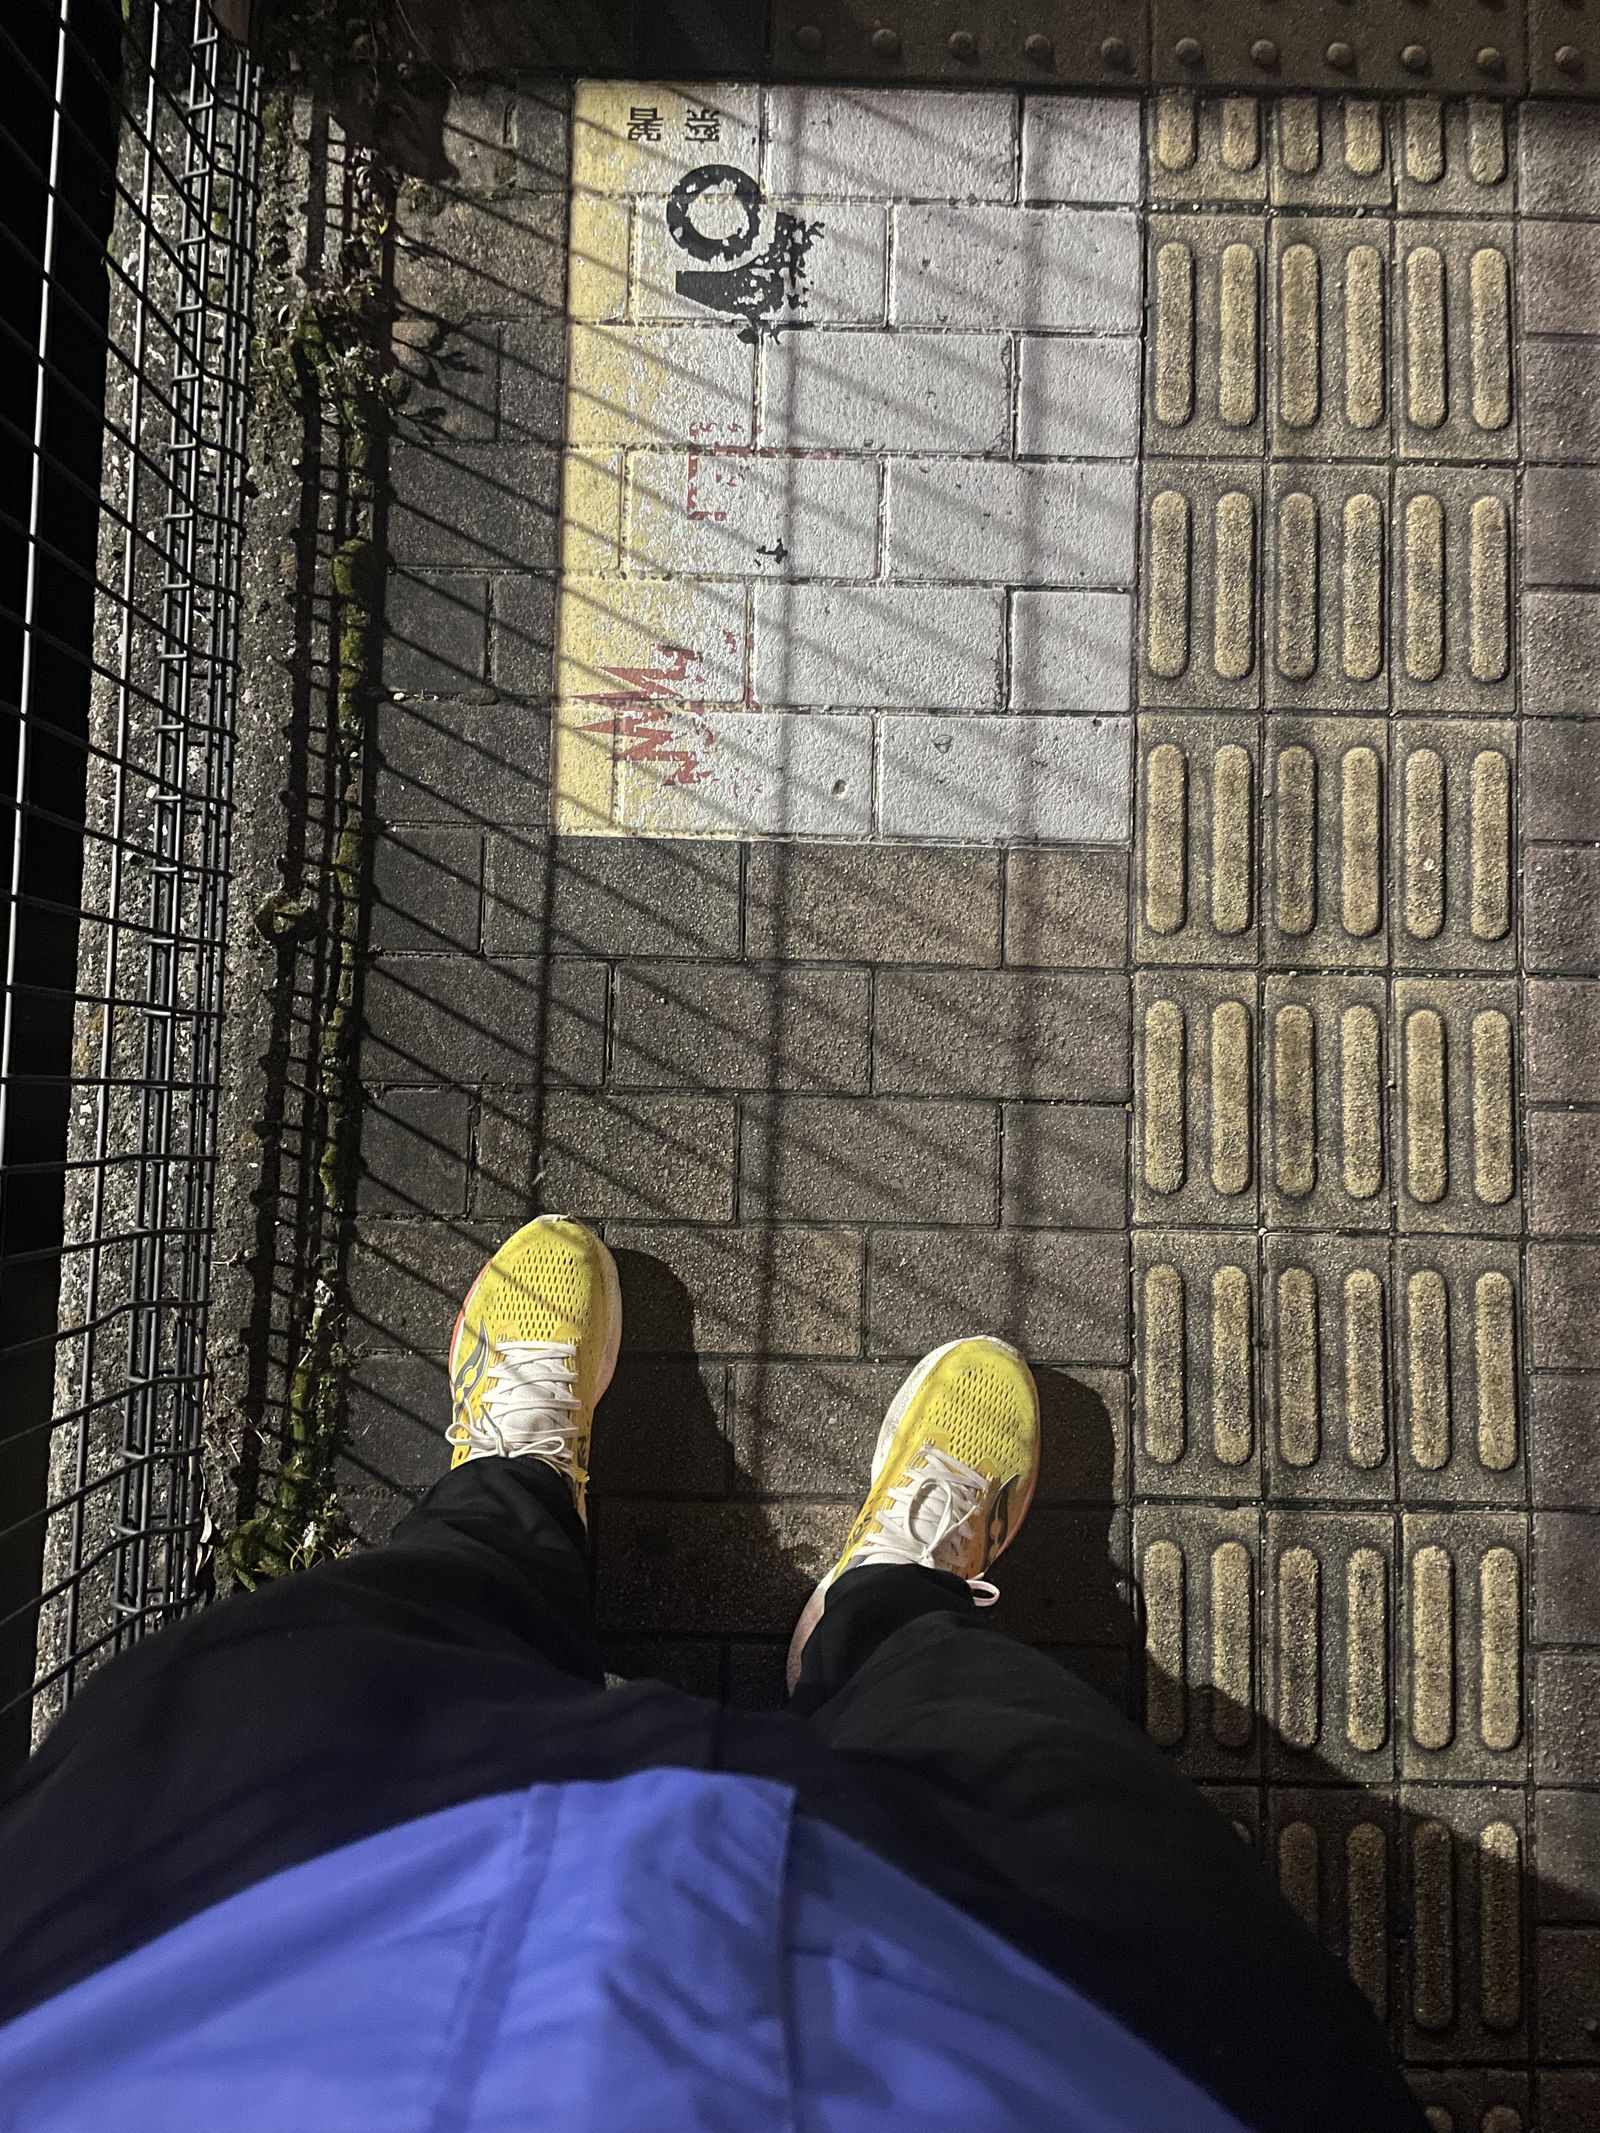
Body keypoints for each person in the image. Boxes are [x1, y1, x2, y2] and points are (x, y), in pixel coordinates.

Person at [0, 1216, 1423, 2132]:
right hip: (1058, 2049)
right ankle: (885, 1613)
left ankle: (516, 1501)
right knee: (1047, 1771)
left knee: (355, 1652)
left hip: (225, 1976)